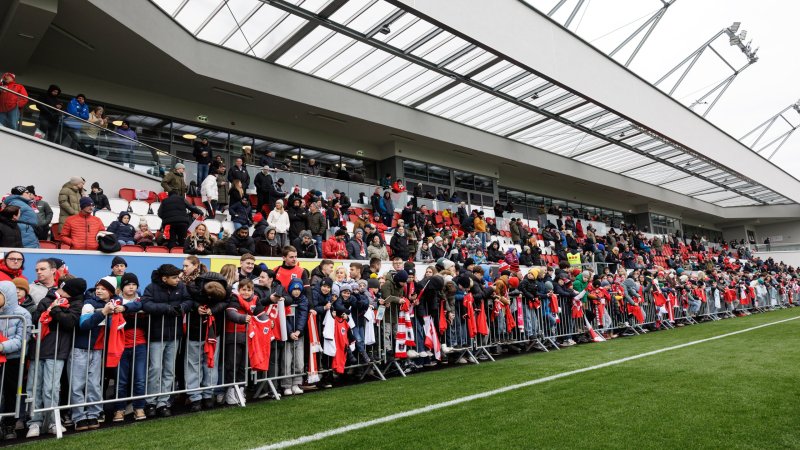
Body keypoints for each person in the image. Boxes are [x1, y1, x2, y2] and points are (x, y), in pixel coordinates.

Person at [27, 277, 85, 438]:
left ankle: (53, 421)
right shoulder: (47, 298)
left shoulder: (76, 304)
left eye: (65, 290)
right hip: (37, 350)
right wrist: (53, 307)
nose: (60, 291)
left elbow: (70, 321)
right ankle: (34, 422)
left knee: (51, 389)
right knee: (34, 388)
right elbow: (36, 318)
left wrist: (55, 310)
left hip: (57, 351)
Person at [141, 264, 193, 418]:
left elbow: (188, 301)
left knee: (169, 370)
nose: (178, 280)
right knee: (155, 369)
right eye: (175, 277)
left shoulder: (182, 287)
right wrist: (168, 308)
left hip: (174, 335)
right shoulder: (151, 288)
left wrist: (182, 307)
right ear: (165, 278)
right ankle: (150, 401)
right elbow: (146, 304)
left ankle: (163, 402)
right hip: (157, 336)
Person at [72, 277, 118, 431]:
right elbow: (84, 324)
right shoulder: (89, 303)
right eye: (98, 287)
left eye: (103, 289)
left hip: (98, 351)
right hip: (81, 349)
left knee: (94, 384)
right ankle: (79, 417)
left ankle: (94, 414)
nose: (99, 290)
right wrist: (103, 313)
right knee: (78, 385)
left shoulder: (113, 303)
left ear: (110, 292)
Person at [185, 269, 228, 411]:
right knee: (194, 365)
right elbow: (187, 302)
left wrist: (213, 309)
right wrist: (196, 307)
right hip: (195, 333)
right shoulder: (192, 288)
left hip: (213, 333)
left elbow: (227, 302)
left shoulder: (226, 290)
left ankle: (208, 395)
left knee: (210, 364)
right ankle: (195, 397)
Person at [111, 273, 147, 422]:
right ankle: (119, 409)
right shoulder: (115, 301)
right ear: (122, 287)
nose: (131, 287)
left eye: (133, 284)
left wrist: (124, 309)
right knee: (121, 380)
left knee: (139, 379)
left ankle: (139, 407)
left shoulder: (142, 300)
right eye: (127, 284)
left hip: (140, 344)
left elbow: (140, 305)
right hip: (120, 345)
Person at [223, 277, 262, 404]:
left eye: (249, 290)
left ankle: (240, 389)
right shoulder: (234, 298)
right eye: (243, 289)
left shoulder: (256, 299)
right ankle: (230, 391)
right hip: (233, 336)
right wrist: (243, 318)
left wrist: (269, 322)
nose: (246, 292)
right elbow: (231, 313)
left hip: (248, 337)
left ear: (253, 291)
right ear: (239, 290)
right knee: (232, 364)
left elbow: (262, 314)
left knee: (243, 366)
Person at [0, 280, 31, 439]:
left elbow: (22, 340)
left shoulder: (23, 314)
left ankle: (9, 425)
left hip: (12, 360)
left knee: (10, 392)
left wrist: (3, 347)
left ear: (8, 296)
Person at [282, 278, 308, 396]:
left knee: (299, 361)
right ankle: (286, 385)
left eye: (299, 289)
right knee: (287, 361)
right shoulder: (286, 299)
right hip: (288, 336)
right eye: (294, 289)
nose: (296, 291)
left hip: (299, 335)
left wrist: (298, 331)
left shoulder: (303, 300)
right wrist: (290, 332)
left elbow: (303, 316)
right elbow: (285, 318)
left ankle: (296, 383)